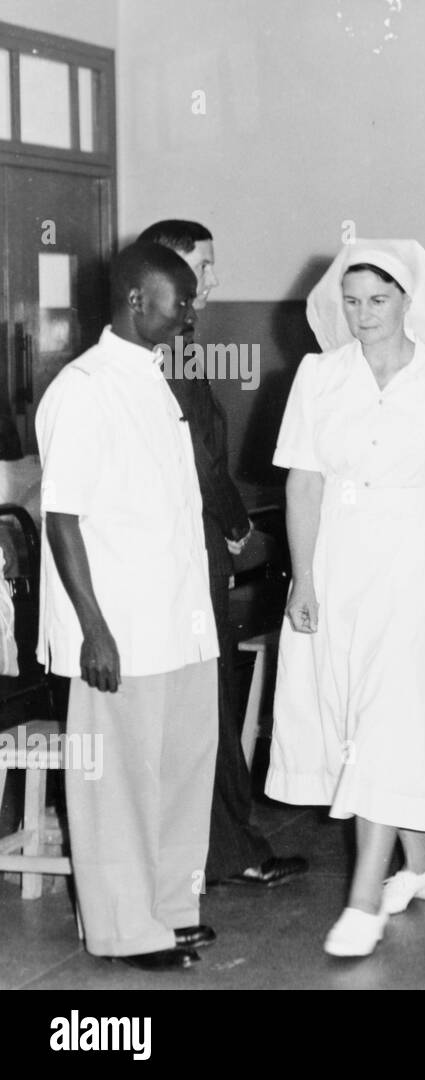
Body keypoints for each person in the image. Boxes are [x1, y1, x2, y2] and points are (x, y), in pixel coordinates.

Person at [264, 240, 425, 957]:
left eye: (378, 300)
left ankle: (362, 903)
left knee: (392, 715)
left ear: (408, 300)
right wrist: (304, 577)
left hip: (417, 560)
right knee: (356, 715)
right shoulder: (320, 375)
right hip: (337, 557)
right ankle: (419, 864)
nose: (363, 314)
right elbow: (303, 483)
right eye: (351, 301)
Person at [37, 242, 219, 971]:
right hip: (119, 630)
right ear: (138, 300)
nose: (191, 317)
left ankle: (173, 909)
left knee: (181, 771)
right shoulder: (83, 388)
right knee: (115, 783)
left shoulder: (155, 380)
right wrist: (95, 630)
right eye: (181, 303)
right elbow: (62, 517)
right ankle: (123, 929)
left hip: (178, 620)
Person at [137, 219, 309, 891]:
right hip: (189, 559)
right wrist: (239, 531)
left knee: (209, 703)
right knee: (207, 704)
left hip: (189, 558)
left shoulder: (175, 346)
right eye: (202, 268)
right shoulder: (167, 351)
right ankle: (226, 847)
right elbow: (200, 459)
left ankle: (219, 844)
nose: (213, 282)